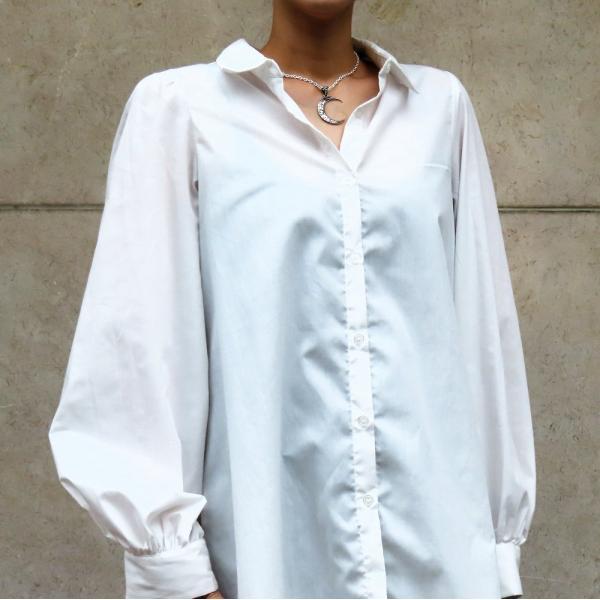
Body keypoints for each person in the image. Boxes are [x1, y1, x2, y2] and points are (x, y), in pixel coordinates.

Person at [48, 0, 537, 598]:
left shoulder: (440, 107)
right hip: (265, 562)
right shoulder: (179, 109)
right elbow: (134, 349)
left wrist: (497, 559)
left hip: (442, 564)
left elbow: (482, 338)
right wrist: (177, 573)